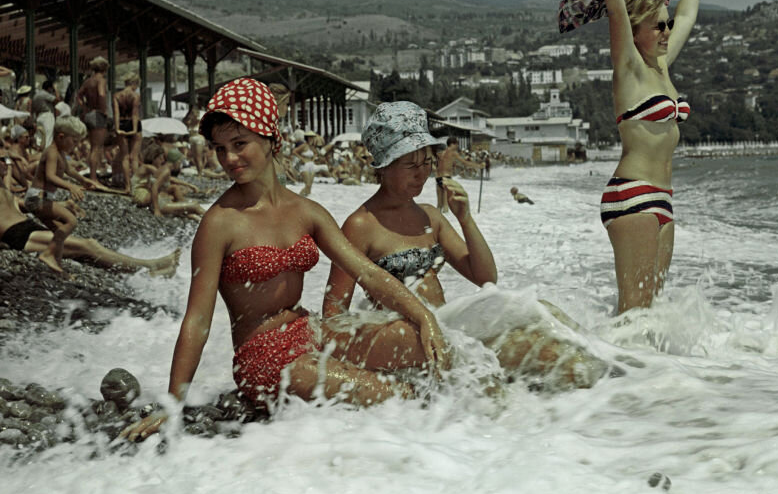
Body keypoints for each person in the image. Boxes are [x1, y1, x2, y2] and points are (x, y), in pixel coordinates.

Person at [122, 78, 450, 442]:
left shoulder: (307, 211)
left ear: (270, 140)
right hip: (264, 359)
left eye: (239, 144)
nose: (229, 159)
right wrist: (172, 402)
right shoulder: (220, 223)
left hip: (310, 333)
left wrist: (424, 317)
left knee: (428, 344)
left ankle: (489, 431)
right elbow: (198, 319)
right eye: (220, 148)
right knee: (400, 397)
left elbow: (367, 273)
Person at [326, 101, 608, 389]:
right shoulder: (361, 225)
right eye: (410, 164)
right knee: (550, 355)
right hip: (414, 343)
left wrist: (466, 219)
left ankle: (614, 360)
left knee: (543, 313)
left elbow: (485, 277)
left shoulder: (430, 216)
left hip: (449, 327)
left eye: (426, 162)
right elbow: (334, 315)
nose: (421, 173)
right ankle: (608, 391)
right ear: (383, 165)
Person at [587, 0, 706, 313]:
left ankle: (631, 373)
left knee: (648, 311)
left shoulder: (662, 67)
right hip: (632, 195)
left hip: (663, 199)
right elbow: (617, 11)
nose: (666, 31)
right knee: (634, 312)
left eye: (666, 23)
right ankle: (601, 372)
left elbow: (686, 18)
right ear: (636, 31)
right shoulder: (629, 69)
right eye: (657, 25)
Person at [1, 161, 179, 275]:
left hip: (28, 228)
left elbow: (26, 204)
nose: (7, 165)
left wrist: (63, 204)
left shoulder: (4, 188)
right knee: (88, 246)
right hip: (18, 235)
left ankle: (145, 271)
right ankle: (151, 266)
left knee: (85, 254)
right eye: (3, 160)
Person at [25, 115, 101, 273]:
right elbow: (50, 176)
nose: (76, 145)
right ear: (61, 136)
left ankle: (56, 265)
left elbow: (69, 170)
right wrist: (70, 187)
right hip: (37, 198)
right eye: (74, 141)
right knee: (71, 221)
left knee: (59, 231)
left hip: (43, 198)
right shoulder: (52, 152)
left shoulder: (60, 153)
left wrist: (82, 180)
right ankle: (47, 254)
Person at [76, 57, 110, 181]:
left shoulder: (88, 81)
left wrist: (85, 108)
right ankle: (93, 177)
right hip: (97, 114)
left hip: (89, 114)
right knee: (97, 148)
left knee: (92, 147)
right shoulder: (101, 80)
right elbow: (101, 94)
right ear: (104, 69)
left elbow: (79, 95)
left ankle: (93, 175)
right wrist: (103, 110)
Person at [435, 137, 483, 214]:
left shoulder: (440, 153)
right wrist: (478, 166)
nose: (457, 146)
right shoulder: (453, 153)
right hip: (446, 178)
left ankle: (435, 224)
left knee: (439, 205)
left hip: (438, 178)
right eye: (457, 144)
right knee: (446, 205)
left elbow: (441, 164)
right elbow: (465, 163)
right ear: (452, 144)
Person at [112, 73, 143, 192]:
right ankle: (136, 186)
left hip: (122, 123)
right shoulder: (135, 95)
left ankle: (127, 186)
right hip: (133, 123)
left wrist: (117, 127)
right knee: (134, 157)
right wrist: (134, 129)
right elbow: (135, 113)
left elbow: (116, 113)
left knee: (124, 157)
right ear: (134, 84)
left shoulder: (117, 95)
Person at [32, 79, 59, 149]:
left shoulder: (36, 95)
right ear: (49, 88)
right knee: (48, 136)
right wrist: (56, 89)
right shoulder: (45, 94)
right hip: (47, 116)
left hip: (39, 116)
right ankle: (47, 153)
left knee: (40, 136)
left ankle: (39, 150)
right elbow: (57, 100)